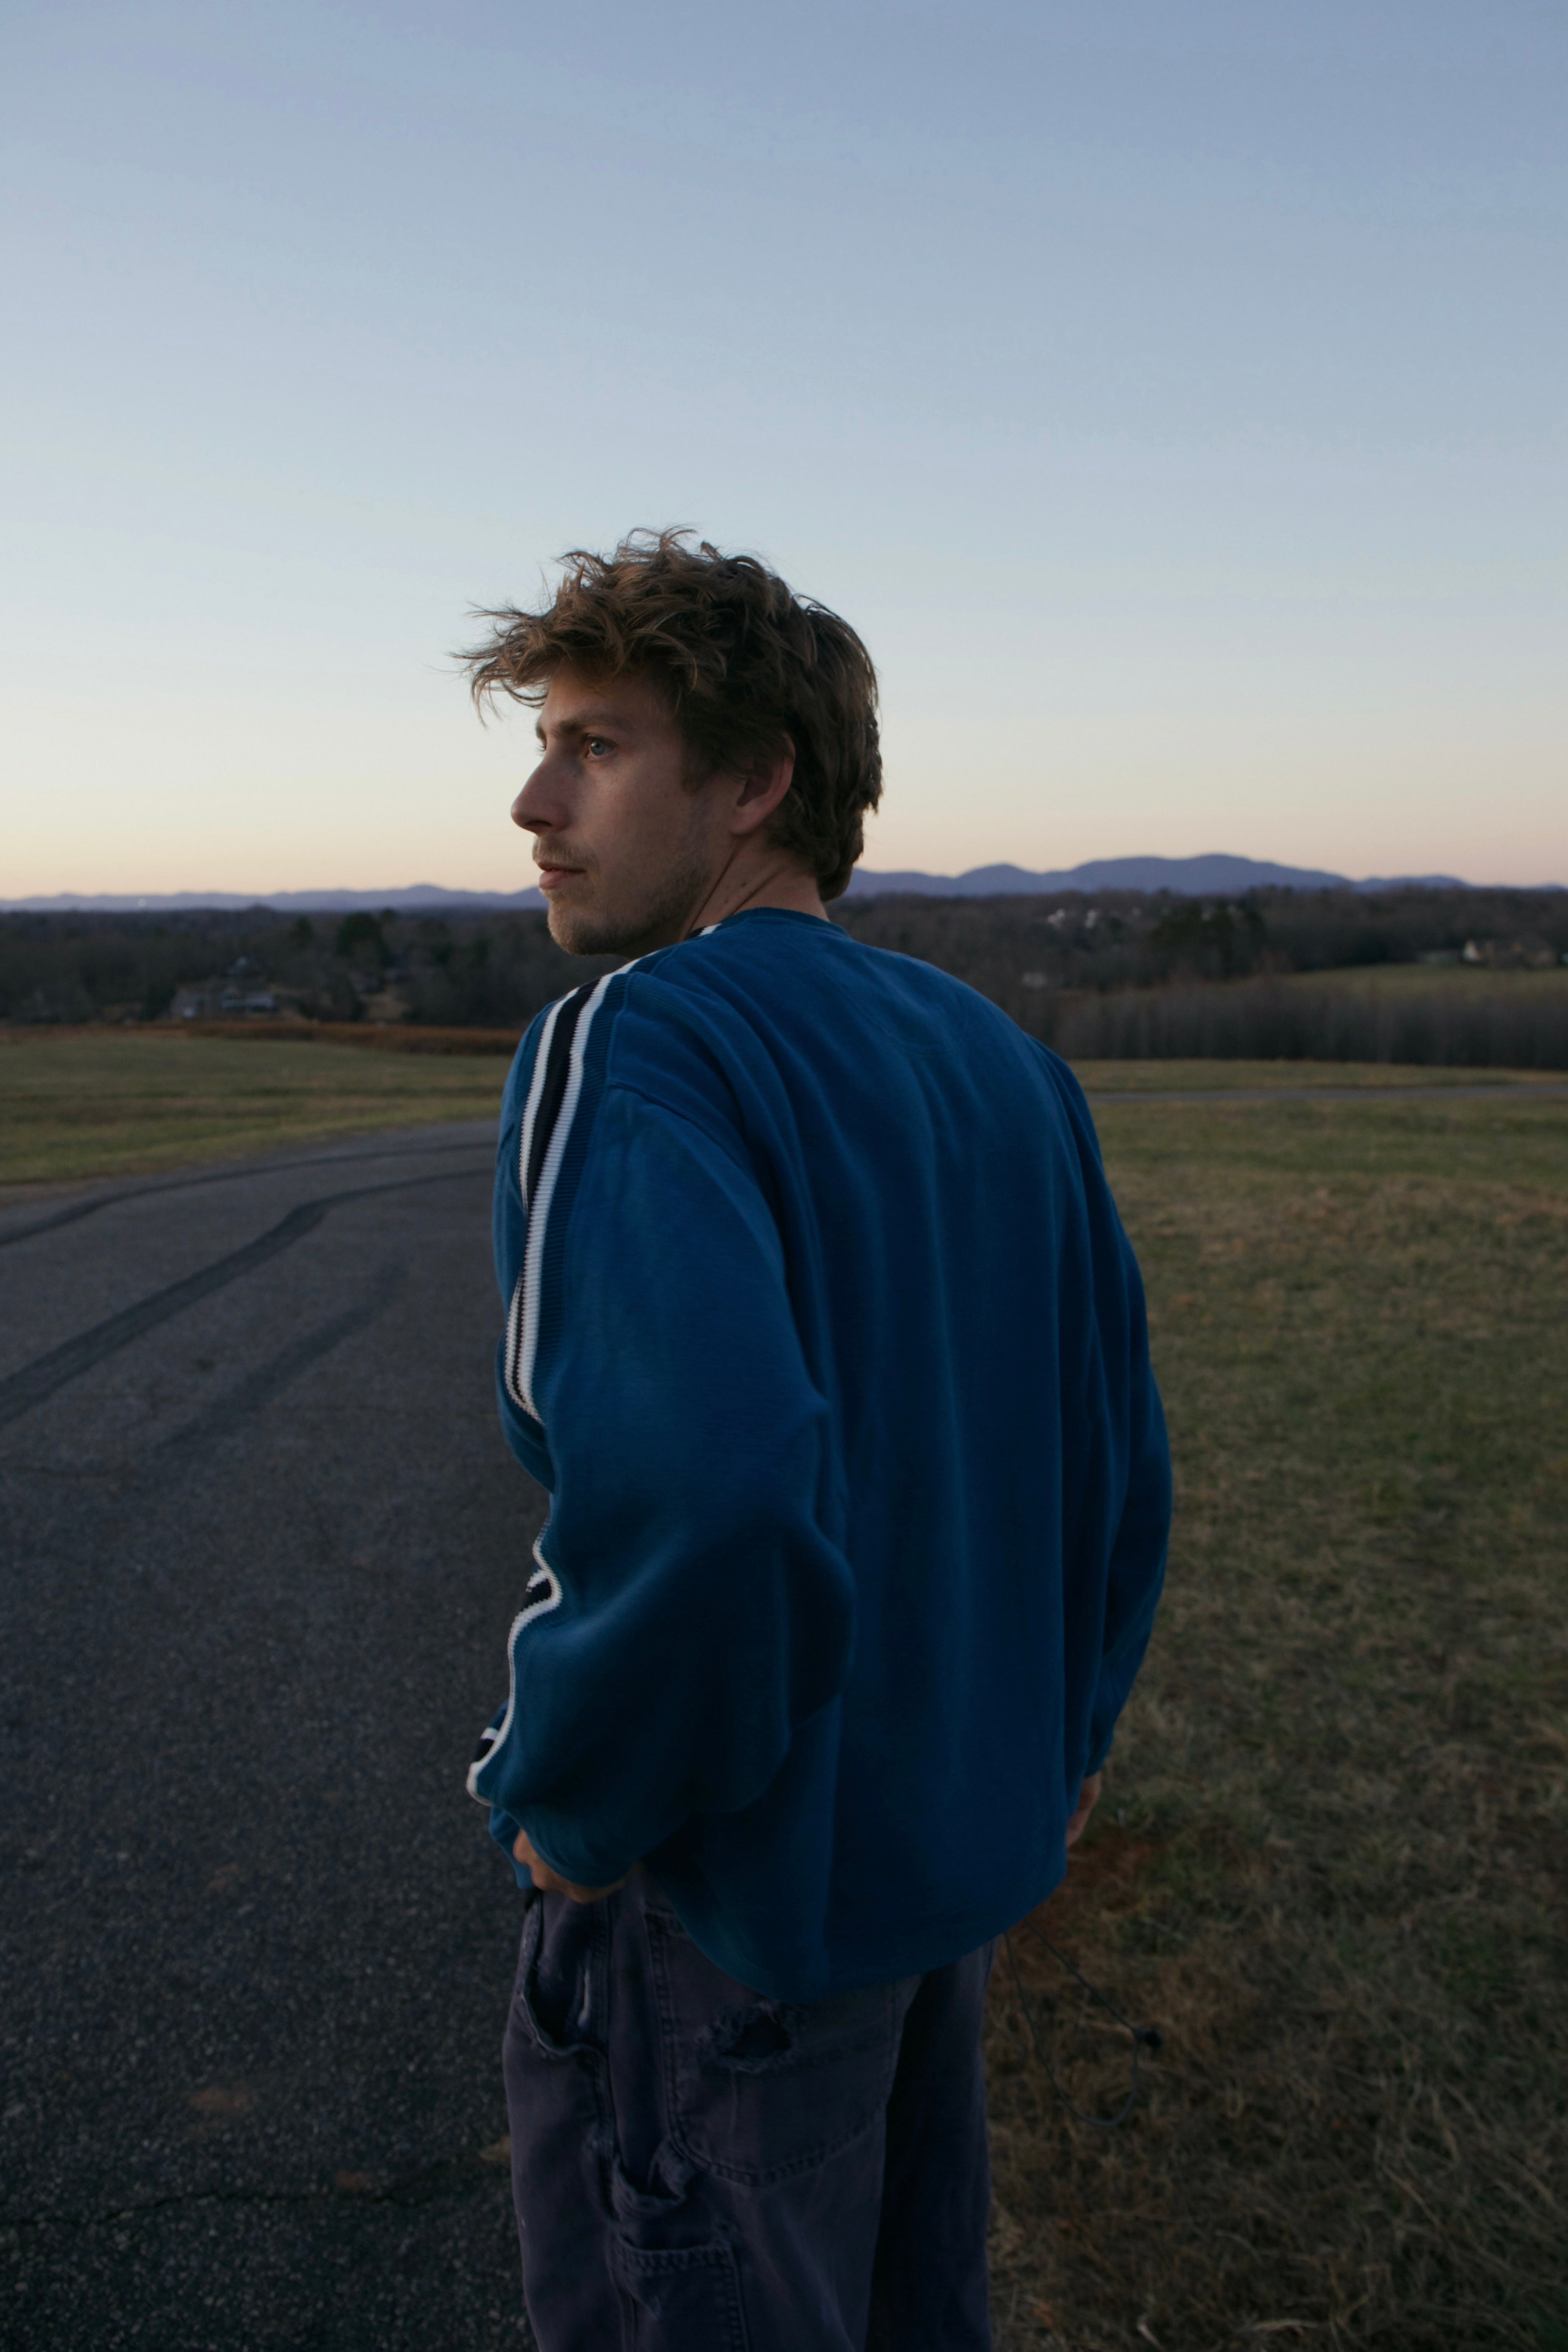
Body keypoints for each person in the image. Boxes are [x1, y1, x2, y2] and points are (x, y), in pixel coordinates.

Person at [461, 530, 1170, 2351]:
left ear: (755, 779)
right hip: (945, 1888)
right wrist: (1063, 1748)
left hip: (734, 1918)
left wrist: (575, 1804)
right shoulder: (1005, 1062)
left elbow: (704, 1497)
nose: (534, 804)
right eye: (542, 747)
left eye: (596, 746)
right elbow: (1113, 1472)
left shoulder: (639, 1042)